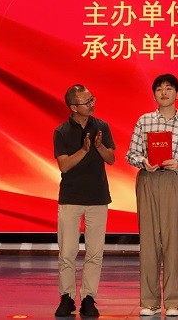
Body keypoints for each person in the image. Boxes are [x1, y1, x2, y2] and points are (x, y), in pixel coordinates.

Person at [125, 74, 178, 317]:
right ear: (154, 94)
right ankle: (149, 301)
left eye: (169, 88)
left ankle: (173, 301)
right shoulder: (144, 121)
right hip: (149, 180)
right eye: (159, 89)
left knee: (173, 242)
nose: (164, 92)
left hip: (175, 182)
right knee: (148, 242)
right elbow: (131, 154)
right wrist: (144, 161)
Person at [53, 84, 116, 317]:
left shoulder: (102, 126)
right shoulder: (61, 131)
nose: (91, 104)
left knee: (95, 252)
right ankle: (67, 297)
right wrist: (84, 150)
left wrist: (99, 146)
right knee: (67, 251)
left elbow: (111, 159)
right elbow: (64, 165)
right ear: (73, 107)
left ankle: (89, 298)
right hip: (70, 198)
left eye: (92, 99)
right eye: (86, 102)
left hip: (98, 197)